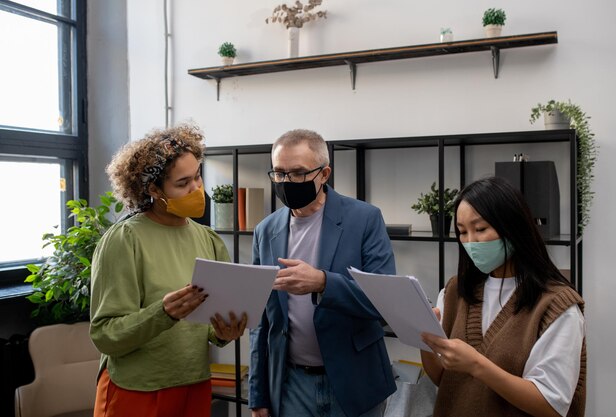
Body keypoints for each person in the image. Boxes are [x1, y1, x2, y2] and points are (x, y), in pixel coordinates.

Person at [90, 123, 247, 417]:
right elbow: (104, 334)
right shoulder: (125, 240)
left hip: (194, 384)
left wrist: (224, 331)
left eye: (198, 176)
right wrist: (163, 314)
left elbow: (211, 327)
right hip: (137, 389)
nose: (196, 188)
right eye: (182, 183)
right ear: (152, 189)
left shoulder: (207, 238)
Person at [248, 129, 397, 417]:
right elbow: (262, 320)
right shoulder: (265, 231)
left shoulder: (365, 219)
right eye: (279, 173)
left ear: (324, 173)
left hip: (354, 382)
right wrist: (258, 395)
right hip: (291, 384)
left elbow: (385, 301)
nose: (287, 182)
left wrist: (323, 283)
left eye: (298, 173)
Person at [420, 176, 586, 417]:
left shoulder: (556, 306)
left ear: (513, 227)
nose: (470, 242)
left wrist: (477, 364)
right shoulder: (455, 291)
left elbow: (551, 405)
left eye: (480, 229)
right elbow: (445, 381)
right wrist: (425, 341)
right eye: (462, 232)